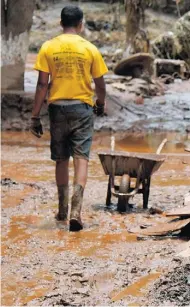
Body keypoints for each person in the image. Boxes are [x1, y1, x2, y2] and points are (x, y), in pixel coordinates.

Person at [30, 5, 108, 232]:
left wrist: (35, 116)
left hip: (57, 109)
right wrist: (100, 104)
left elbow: (42, 84)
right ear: (81, 24)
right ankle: (76, 211)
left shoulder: (48, 47)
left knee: (61, 159)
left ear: (60, 23)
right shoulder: (90, 48)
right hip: (82, 109)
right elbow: (100, 84)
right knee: (81, 158)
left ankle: (62, 210)